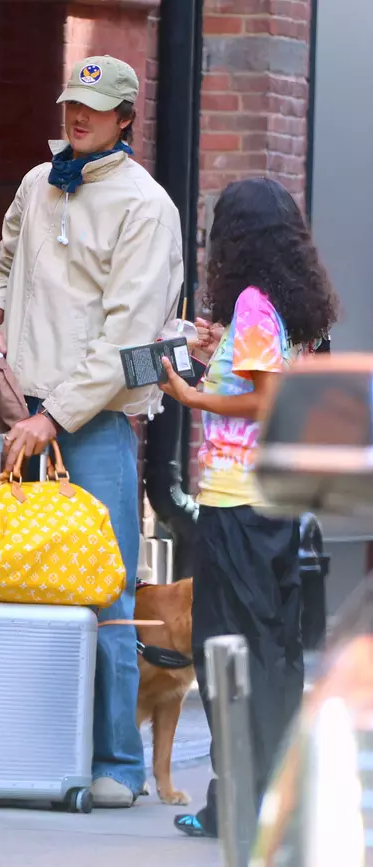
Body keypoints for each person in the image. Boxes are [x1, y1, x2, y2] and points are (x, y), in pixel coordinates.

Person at [0, 54, 184, 807]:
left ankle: (119, 764)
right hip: (19, 410)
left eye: (94, 107)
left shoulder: (147, 208)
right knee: (17, 586)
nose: (77, 117)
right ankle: (24, 745)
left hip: (85, 426)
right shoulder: (36, 181)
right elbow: (3, 262)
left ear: (128, 118)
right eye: (71, 104)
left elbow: (127, 342)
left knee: (108, 590)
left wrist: (48, 415)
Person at [157, 177, 338, 838]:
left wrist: (194, 395)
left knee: (229, 653)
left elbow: (265, 401)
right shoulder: (283, 306)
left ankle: (247, 799)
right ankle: (260, 795)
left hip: (240, 501)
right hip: (269, 501)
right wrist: (215, 357)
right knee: (269, 651)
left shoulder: (257, 305)